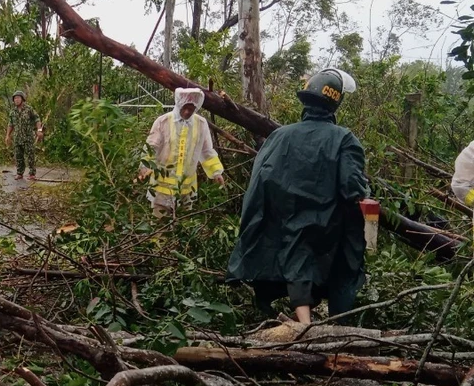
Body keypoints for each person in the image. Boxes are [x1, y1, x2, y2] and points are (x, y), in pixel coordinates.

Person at [227, 68, 369, 324]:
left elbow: (261, 180)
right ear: (335, 103)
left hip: (287, 219)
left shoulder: (279, 136)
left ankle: (305, 322)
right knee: (335, 258)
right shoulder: (344, 138)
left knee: (298, 255)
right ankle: (319, 324)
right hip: (329, 225)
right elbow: (353, 188)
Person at [138, 87, 225, 216]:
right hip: (162, 188)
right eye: (184, 108)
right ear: (179, 104)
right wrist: (145, 168)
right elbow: (151, 147)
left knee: (183, 228)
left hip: (186, 189)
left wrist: (216, 173)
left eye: (191, 109)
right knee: (160, 228)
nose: (187, 112)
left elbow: (206, 151)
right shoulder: (163, 121)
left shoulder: (201, 124)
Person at [5, 91, 42, 180]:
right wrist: (7, 136)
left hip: (28, 136)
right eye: (15, 98)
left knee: (30, 155)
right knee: (18, 156)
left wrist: (39, 130)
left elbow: (37, 119)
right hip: (17, 137)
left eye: (18, 98)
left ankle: (32, 173)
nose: (16, 100)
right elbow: (10, 124)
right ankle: (19, 173)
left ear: (22, 99)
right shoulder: (12, 111)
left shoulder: (29, 109)